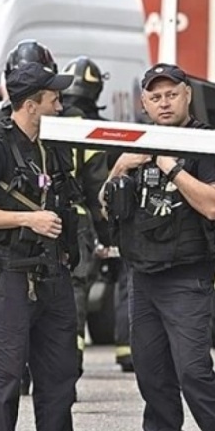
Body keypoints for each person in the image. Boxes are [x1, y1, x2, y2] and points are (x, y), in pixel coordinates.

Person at [103, 63, 215, 431]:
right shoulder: (135, 140)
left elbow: (214, 205)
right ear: (144, 103)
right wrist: (118, 168)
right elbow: (107, 207)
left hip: (186, 275)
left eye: (171, 95)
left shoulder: (206, 141)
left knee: (192, 370)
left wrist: (170, 166)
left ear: (187, 95)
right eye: (155, 97)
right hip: (142, 275)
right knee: (151, 372)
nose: (163, 103)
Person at [0, 62, 81, 431]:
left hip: (53, 275)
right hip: (10, 276)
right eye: (54, 99)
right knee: (8, 378)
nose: (60, 106)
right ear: (31, 105)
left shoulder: (52, 145)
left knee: (60, 379)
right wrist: (27, 220)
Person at [58, 56, 135, 373]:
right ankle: (70, 362)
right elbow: (95, 185)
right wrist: (107, 231)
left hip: (31, 219)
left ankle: (25, 367)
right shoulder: (87, 127)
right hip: (76, 220)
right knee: (75, 289)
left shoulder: (43, 117)